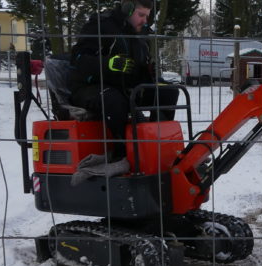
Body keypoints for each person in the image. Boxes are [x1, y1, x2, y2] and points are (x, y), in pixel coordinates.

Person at [68, 0, 179, 166]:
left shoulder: (140, 34)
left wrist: (151, 77)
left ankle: (158, 145)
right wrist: (108, 64)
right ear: (128, 10)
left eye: (147, 16)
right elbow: (78, 59)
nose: (144, 21)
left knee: (169, 92)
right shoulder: (101, 25)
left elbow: (139, 68)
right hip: (90, 88)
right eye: (141, 15)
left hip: (127, 88)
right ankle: (122, 154)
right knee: (115, 100)